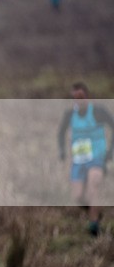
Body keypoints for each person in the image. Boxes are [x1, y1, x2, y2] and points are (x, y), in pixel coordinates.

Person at [57, 82, 114, 236]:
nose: (78, 101)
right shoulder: (69, 115)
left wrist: (110, 151)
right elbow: (61, 132)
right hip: (78, 161)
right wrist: (62, 150)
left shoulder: (98, 112)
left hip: (97, 158)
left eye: (81, 97)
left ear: (87, 97)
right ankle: (94, 210)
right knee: (78, 196)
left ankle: (94, 225)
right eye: (75, 98)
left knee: (93, 186)